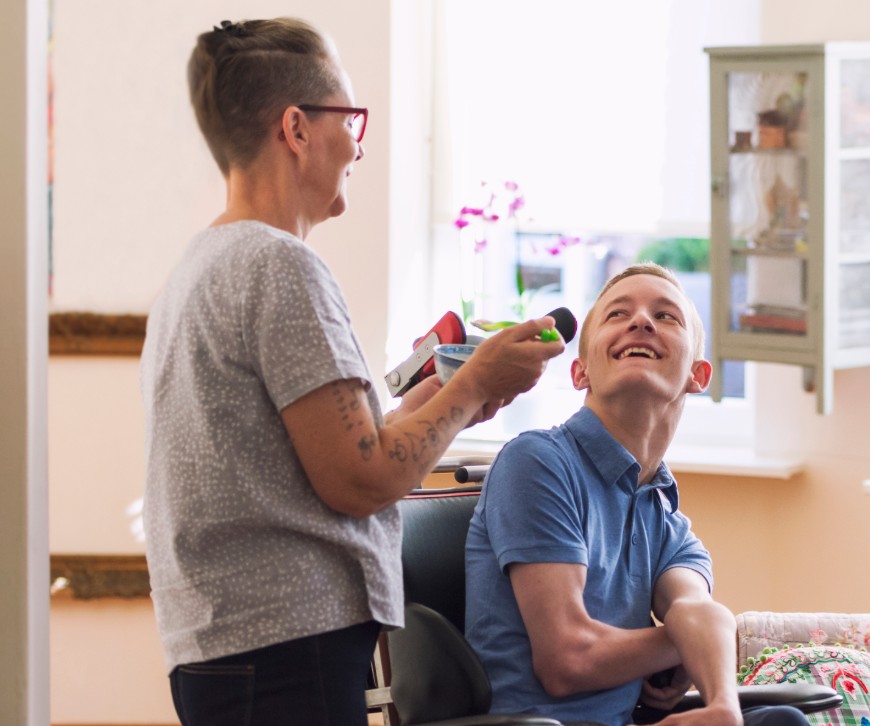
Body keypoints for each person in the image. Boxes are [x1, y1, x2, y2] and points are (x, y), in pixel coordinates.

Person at [139, 17, 564, 726]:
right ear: (297, 129)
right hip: (284, 651)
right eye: (351, 118)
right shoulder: (279, 266)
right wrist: (472, 385)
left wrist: (435, 403)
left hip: (230, 646)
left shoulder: (202, 266)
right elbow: (361, 478)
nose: (358, 145)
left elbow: (315, 459)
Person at [464, 263, 807, 726]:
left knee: (781, 720)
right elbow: (567, 661)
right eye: (617, 314)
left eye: (666, 316)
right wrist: (686, 641)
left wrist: (722, 703)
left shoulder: (665, 518)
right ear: (580, 371)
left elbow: (696, 610)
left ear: (697, 375)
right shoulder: (536, 461)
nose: (641, 321)